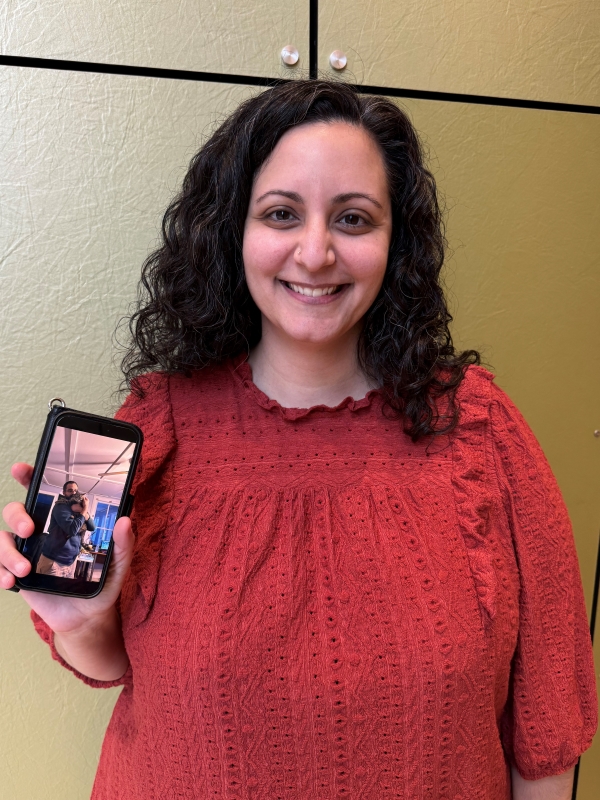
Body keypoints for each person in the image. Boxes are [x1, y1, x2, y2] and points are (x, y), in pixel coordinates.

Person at [1, 81, 597, 799]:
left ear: (394, 242)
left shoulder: (478, 428)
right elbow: (113, 667)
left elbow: (547, 723)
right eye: (282, 214)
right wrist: (82, 618)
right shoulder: (160, 421)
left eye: (353, 218)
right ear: (233, 231)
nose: (315, 254)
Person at [36, 481, 96, 578]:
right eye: (70, 490)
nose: (73, 493)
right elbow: (72, 530)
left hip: (70, 562)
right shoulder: (60, 507)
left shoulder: (80, 508)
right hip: (54, 561)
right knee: (46, 590)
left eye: (76, 490)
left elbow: (92, 527)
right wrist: (84, 510)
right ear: (64, 493)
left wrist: (82, 510)